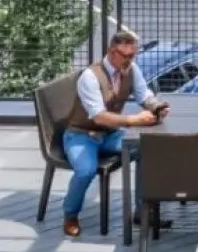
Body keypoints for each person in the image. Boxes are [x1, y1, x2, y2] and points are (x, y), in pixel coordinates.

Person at [60, 29, 165, 239]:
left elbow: (143, 94)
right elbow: (98, 116)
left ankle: (142, 211)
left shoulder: (131, 69)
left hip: (110, 135)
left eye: (132, 55)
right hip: (82, 134)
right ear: (111, 51)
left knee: (147, 149)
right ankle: (70, 215)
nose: (129, 60)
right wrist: (132, 120)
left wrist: (156, 106)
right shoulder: (90, 77)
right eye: (125, 55)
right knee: (86, 171)